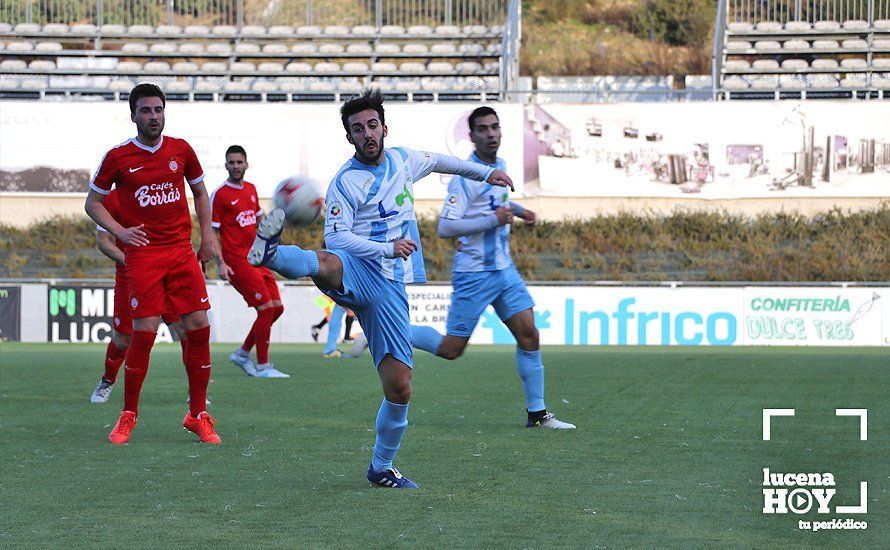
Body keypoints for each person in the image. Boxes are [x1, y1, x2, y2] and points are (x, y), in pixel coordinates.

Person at [248, 90, 513, 488]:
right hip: (357, 266)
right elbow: (338, 239)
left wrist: (484, 173)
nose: (367, 133)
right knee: (324, 262)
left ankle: (381, 468)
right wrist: (386, 247)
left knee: (400, 387)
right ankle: (269, 253)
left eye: (372, 125)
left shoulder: (404, 160)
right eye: (358, 129)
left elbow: (442, 161)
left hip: (389, 286)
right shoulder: (345, 183)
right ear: (350, 137)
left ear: (384, 128)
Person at [410, 106, 575, 430]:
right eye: (483, 129)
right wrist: (494, 219)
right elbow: (445, 227)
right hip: (474, 274)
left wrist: (518, 209)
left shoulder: (501, 166)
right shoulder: (465, 176)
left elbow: (496, 206)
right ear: (471, 137)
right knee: (451, 349)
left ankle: (538, 415)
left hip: (504, 269)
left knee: (529, 335)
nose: (491, 133)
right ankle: (390, 333)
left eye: (495, 127)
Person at [84, 83, 220, 445]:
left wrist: (207, 238)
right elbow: (92, 203)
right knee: (142, 333)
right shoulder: (118, 157)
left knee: (199, 328)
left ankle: (197, 414)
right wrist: (121, 232)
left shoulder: (181, 149)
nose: (153, 116)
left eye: (158, 109)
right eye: (146, 110)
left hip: (179, 250)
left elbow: (202, 192)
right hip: (143, 255)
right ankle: (128, 415)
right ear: (133, 116)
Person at [89, 187, 189, 403]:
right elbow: (104, 241)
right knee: (123, 338)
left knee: (185, 329)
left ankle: (196, 391)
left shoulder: (162, 190)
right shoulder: (111, 200)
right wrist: (134, 262)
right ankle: (107, 380)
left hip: (168, 272)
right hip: (130, 274)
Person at [210, 145, 288, 378]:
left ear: (246, 164)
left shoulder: (252, 189)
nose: (235, 166)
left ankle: (243, 353)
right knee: (265, 309)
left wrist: (275, 234)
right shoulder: (220, 194)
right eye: (231, 162)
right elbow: (213, 232)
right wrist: (220, 262)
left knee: (277, 309)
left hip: (259, 258)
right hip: (238, 262)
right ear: (226, 165)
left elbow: (260, 221)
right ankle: (263, 366)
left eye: (239, 162)